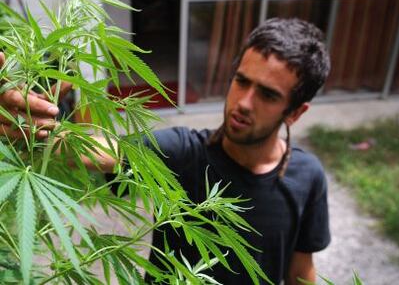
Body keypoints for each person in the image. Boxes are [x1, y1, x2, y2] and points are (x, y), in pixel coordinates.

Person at [0, 18, 331, 284]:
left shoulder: (308, 177)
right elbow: (103, 150)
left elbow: (301, 271)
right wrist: (30, 128)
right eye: (241, 81)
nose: (244, 103)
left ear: (295, 112)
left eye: (268, 95)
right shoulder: (185, 154)